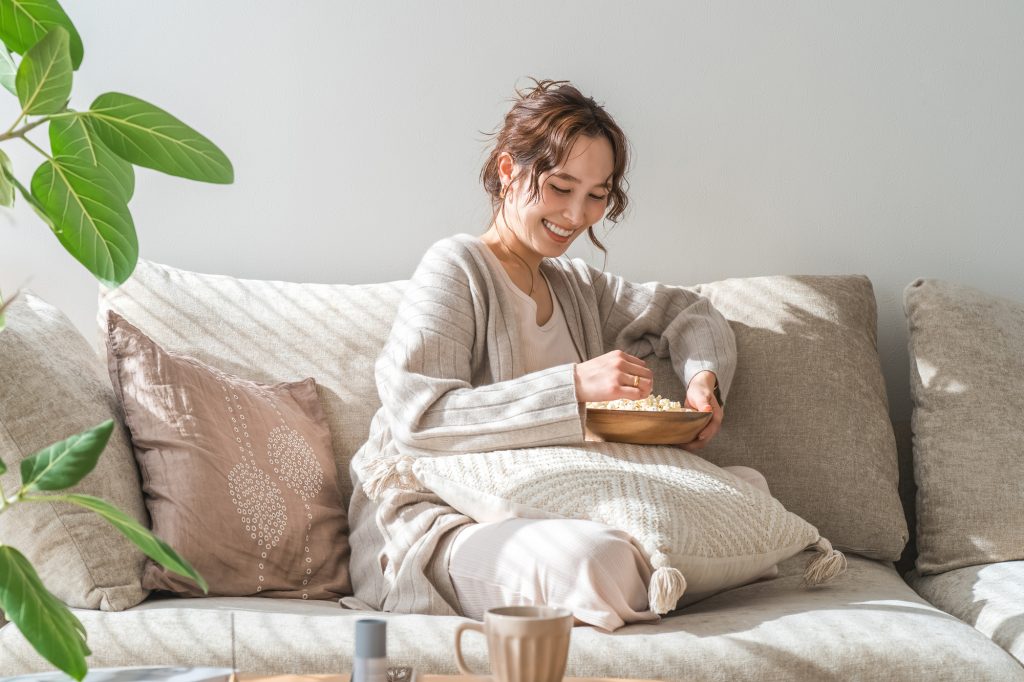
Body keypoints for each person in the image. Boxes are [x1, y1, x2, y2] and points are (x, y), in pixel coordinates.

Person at [345, 78, 772, 631]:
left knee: (747, 493)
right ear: (508, 171)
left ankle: (651, 572)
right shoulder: (456, 267)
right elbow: (421, 420)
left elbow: (689, 312)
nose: (575, 214)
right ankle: (647, 575)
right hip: (451, 522)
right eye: (559, 187)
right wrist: (573, 387)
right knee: (595, 561)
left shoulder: (576, 286)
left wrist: (704, 382)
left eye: (597, 195)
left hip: (564, 504)